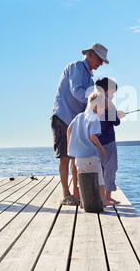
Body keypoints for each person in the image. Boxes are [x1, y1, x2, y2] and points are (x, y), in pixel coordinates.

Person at [51, 43, 109, 205]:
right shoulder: (75, 67)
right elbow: (76, 91)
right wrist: (95, 102)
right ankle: (66, 194)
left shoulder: (90, 78)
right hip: (63, 116)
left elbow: (88, 103)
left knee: (76, 156)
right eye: (99, 59)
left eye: (103, 61)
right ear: (90, 54)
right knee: (65, 157)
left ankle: (77, 194)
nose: (101, 63)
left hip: (77, 120)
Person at [67, 91, 110, 208]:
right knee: (99, 178)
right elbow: (93, 136)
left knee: (82, 180)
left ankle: (82, 202)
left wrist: (70, 146)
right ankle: (104, 200)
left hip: (78, 157)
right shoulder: (94, 119)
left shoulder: (78, 117)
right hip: (90, 154)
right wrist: (101, 149)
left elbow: (69, 129)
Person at [95, 78, 126, 205]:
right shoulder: (109, 105)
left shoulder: (94, 104)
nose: (113, 96)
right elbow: (116, 122)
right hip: (109, 143)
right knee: (110, 169)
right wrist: (119, 115)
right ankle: (107, 197)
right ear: (106, 91)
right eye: (112, 93)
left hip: (96, 143)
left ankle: (101, 197)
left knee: (99, 171)